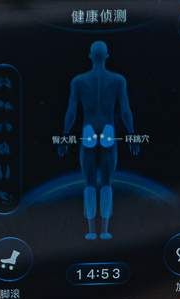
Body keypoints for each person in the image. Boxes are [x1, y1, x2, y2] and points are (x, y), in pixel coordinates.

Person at [59, 41, 138, 240]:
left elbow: (71, 112)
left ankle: (91, 231)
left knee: (89, 182)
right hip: (109, 131)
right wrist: (132, 135)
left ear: (90, 56)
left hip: (88, 131)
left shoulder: (78, 81)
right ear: (107, 55)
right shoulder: (118, 80)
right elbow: (125, 111)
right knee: (106, 182)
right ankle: (105, 231)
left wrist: (65, 137)